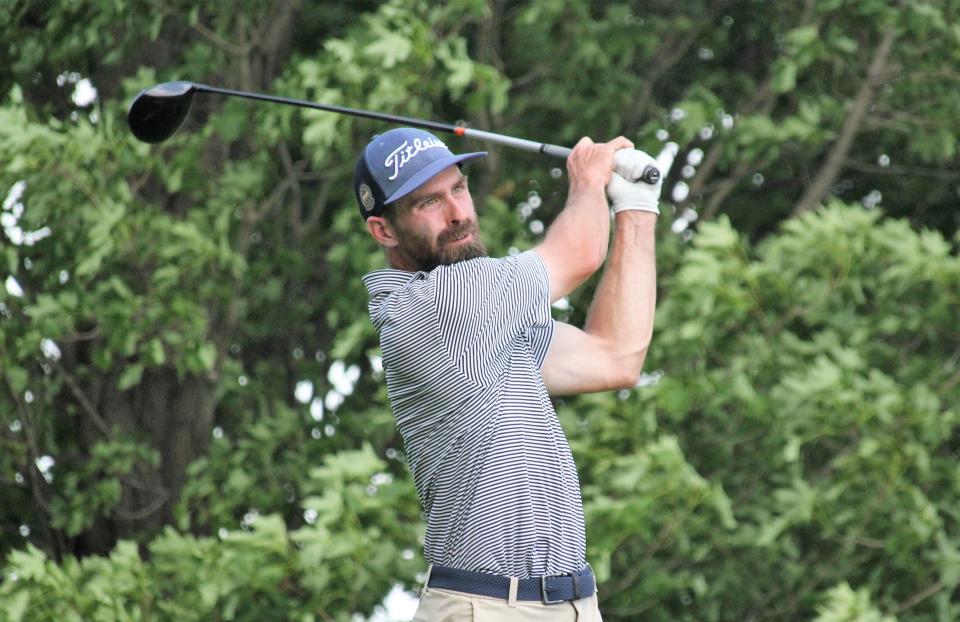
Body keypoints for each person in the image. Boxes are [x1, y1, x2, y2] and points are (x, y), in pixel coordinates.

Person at [355, 127, 666, 621]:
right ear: (383, 231)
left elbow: (615, 357)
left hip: (571, 605)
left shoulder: (488, 323)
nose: (458, 214)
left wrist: (636, 209)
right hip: (487, 605)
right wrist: (589, 178)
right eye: (427, 203)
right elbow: (580, 253)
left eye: (458, 188)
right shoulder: (437, 306)